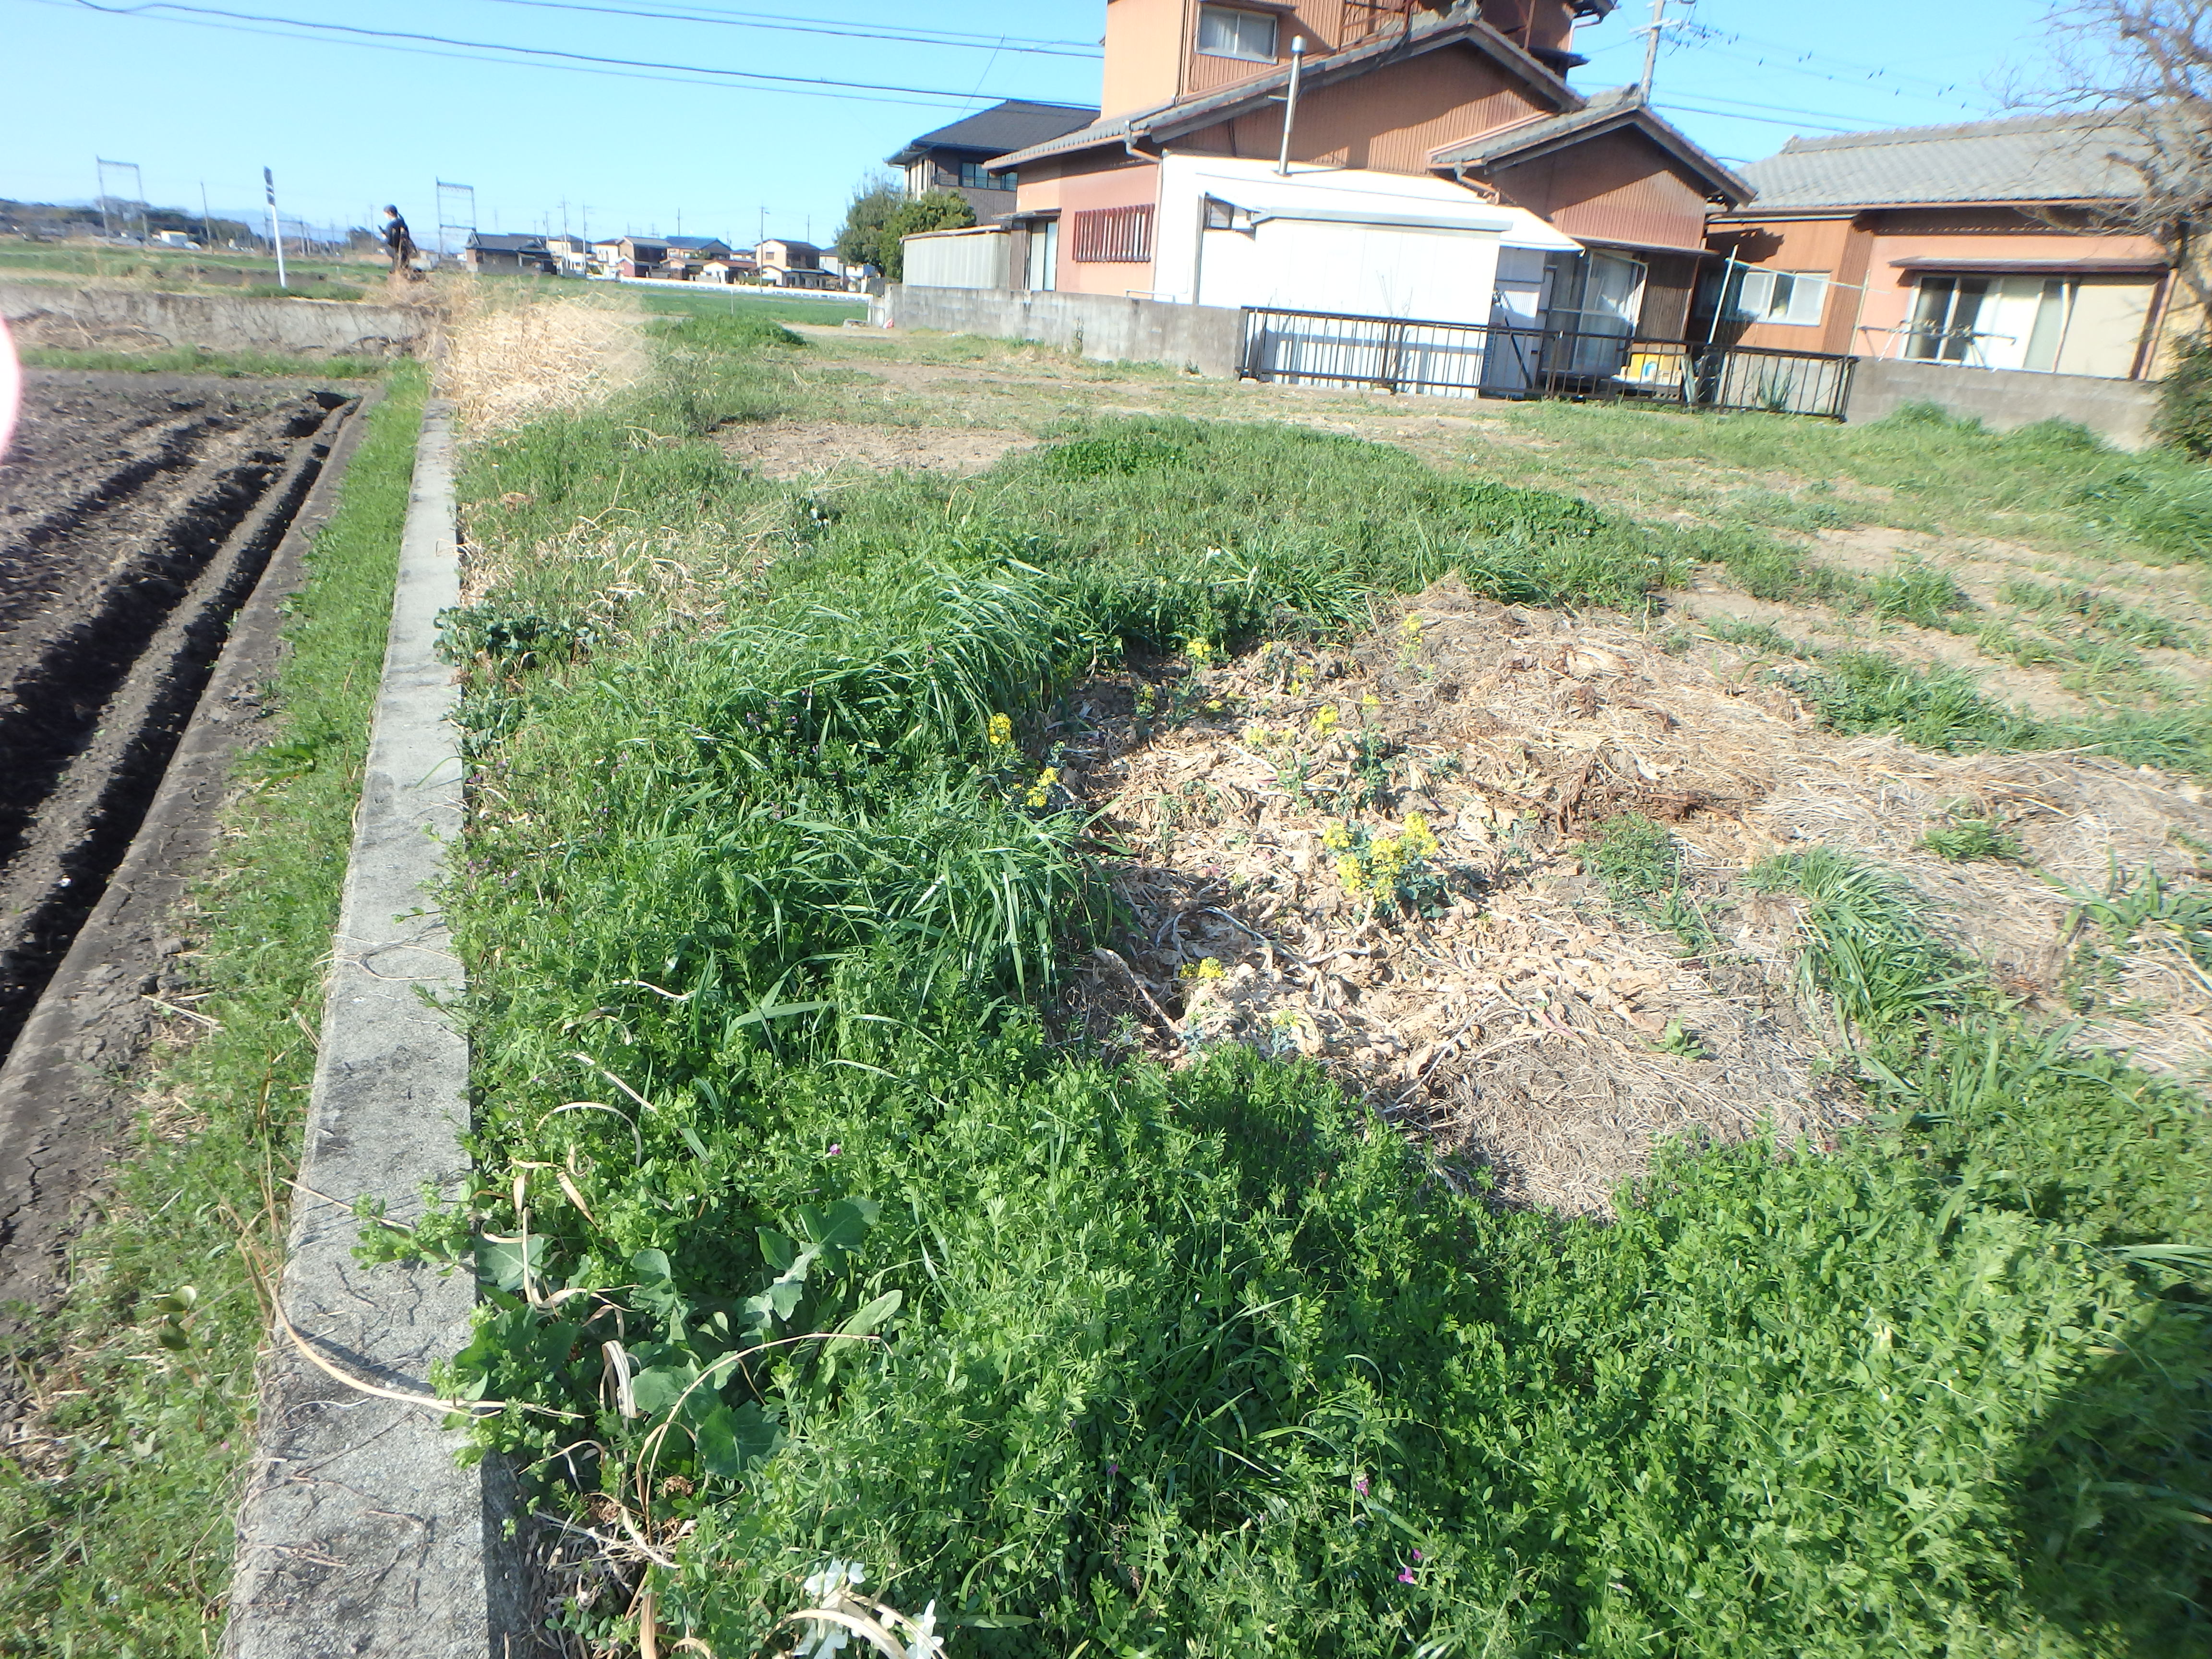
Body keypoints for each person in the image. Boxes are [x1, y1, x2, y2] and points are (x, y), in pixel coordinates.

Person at [381, 205, 420, 278]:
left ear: (390, 213)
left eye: (385, 214)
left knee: (396, 270)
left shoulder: (391, 225)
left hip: (397, 251)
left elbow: (390, 241)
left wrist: (385, 238)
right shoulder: (402, 222)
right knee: (405, 268)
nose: (385, 216)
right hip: (405, 250)